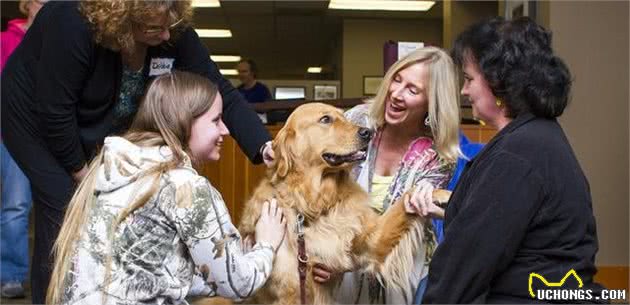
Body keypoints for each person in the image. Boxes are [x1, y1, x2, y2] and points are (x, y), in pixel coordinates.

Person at [0, 1, 273, 302]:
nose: (168, 35)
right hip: (36, 121)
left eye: (170, 23)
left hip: (98, 122)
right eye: (155, 28)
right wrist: (85, 176)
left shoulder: (171, 28)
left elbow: (218, 85)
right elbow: (55, 111)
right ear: (123, 18)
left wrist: (265, 144)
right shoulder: (72, 21)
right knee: (66, 212)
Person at [46, 71, 286, 305]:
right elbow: (237, 285)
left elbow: (156, 275)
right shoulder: (184, 186)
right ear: (184, 120)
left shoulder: (110, 171)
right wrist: (267, 244)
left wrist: (238, 258)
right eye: (216, 120)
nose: (225, 130)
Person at [422, 17, 605, 303]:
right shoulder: (538, 138)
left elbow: (464, 267)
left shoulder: (518, 154)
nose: (463, 91)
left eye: (469, 79)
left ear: (498, 82)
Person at [320, 46, 461, 304]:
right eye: (397, 79)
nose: (396, 93)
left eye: (412, 89)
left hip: (396, 272)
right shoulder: (358, 120)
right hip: (336, 261)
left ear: (432, 102)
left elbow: (392, 230)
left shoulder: (438, 156)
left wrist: (344, 262)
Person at [0, 0, 46, 298]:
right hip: (11, 135)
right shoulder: (5, 41)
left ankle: (54, 273)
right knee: (16, 205)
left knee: (54, 205)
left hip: (49, 136)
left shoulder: (57, 39)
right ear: (26, 5)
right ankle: (11, 275)